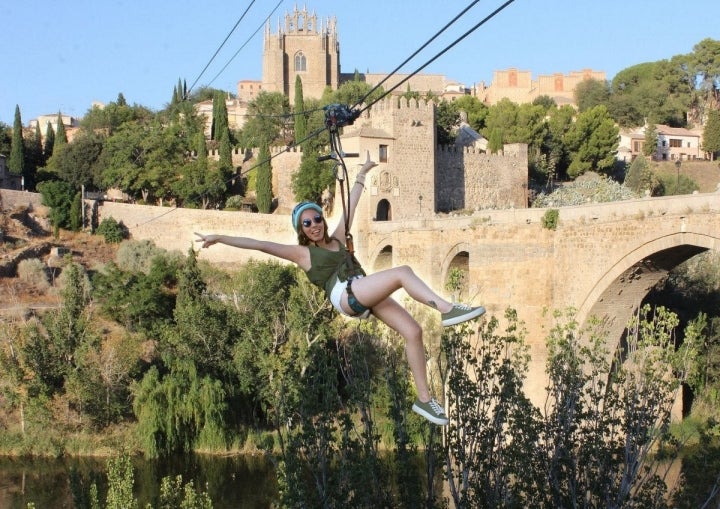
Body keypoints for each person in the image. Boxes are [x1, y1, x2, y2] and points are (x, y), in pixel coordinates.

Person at [195, 152, 485, 425]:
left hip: (360, 290)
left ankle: (424, 400)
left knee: (413, 332)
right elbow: (260, 245)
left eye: (317, 218)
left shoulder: (336, 237)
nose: (314, 225)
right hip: (345, 294)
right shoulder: (303, 254)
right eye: (307, 223)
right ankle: (447, 310)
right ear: (301, 229)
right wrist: (219, 237)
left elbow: (352, 203)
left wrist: (363, 172)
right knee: (403, 273)